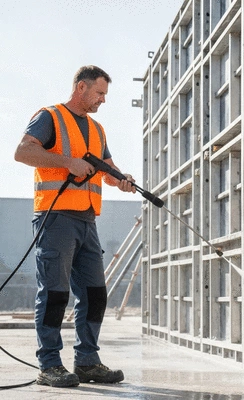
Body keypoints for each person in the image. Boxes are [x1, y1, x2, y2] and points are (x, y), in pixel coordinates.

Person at [14, 65, 136, 388]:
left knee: (96, 294)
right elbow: (22, 152)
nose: (103, 100)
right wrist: (68, 162)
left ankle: (87, 361)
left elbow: (107, 171)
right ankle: (50, 365)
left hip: (86, 221)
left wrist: (121, 180)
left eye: (105, 95)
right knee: (55, 293)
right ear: (81, 88)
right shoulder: (49, 117)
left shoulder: (97, 131)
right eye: (99, 93)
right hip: (55, 218)